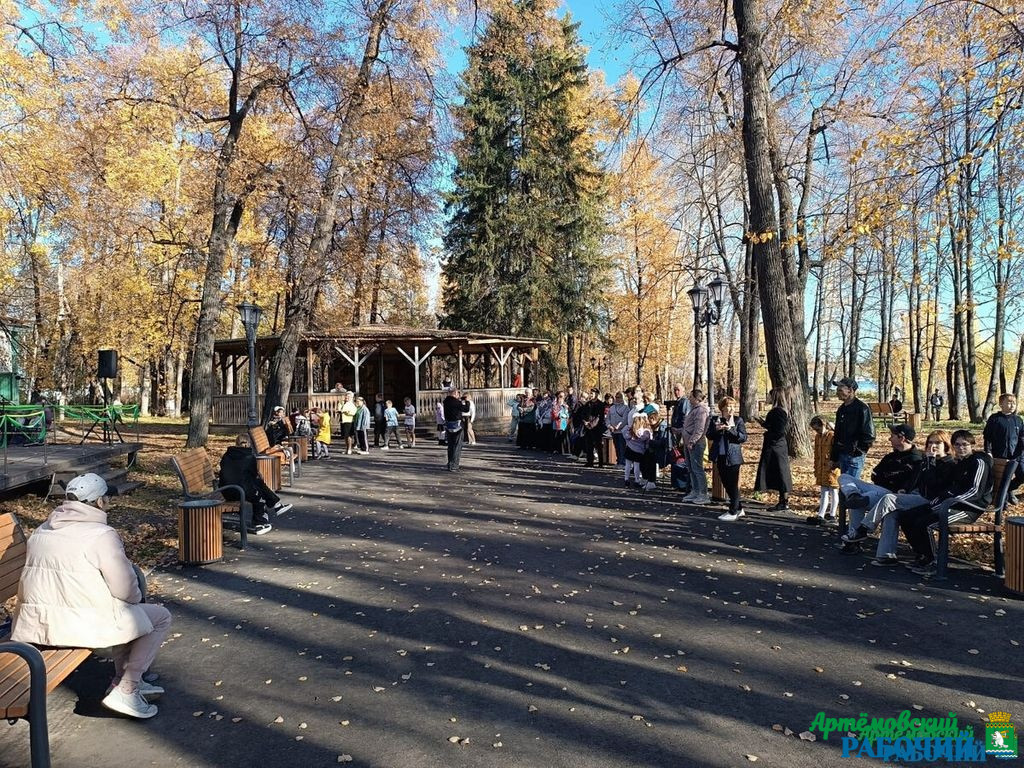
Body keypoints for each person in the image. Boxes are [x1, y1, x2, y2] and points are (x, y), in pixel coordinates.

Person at [11, 473, 172, 719]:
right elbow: (126, 590)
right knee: (158, 617)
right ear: (98, 502)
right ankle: (127, 688)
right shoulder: (101, 535)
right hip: (79, 626)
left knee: (124, 612)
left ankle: (121, 682)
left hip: (38, 624)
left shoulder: (42, 530)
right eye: (107, 498)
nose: (108, 502)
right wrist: (134, 598)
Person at [897, 429, 992, 573]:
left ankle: (933, 562)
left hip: (968, 508)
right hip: (948, 504)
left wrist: (949, 502)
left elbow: (975, 491)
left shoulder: (979, 462)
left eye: (965, 444)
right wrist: (938, 501)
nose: (961, 448)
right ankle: (923, 555)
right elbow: (944, 487)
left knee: (925, 524)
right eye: (957, 445)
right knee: (906, 516)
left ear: (972, 445)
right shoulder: (960, 463)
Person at [865, 430, 954, 566]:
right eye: (930, 442)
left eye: (938, 442)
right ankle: (886, 555)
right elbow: (915, 479)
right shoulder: (925, 461)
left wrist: (930, 461)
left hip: (933, 501)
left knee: (890, 499)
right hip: (917, 496)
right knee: (893, 512)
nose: (933, 446)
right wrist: (905, 489)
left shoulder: (948, 463)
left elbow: (933, 485)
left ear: (946, 445)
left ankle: (864, 528)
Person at [839, 423, 925, 551]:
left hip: (896, 498)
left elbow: (912, 484)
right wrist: (890, 478)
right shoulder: (890, 457)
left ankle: (854, 539)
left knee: (864, 499)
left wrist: (889, 479)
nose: (889, 439)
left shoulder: (917, 460)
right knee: (844, 477)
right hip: (880, 490)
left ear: (901, 438)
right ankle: (853, 494)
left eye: (892, 436)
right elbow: (875, 475)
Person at [219, 435, 293, 534]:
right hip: (240, 491)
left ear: (236, 443)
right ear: (249, 443)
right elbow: (254, 475)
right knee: (259, 496)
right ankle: (260, 524)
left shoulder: (227, 455)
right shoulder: (249, 457)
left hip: (226, 490)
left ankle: (276, 505)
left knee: (257, 484)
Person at [707, 396, 747, 521]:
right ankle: (739, 508)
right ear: (722, 408)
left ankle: (733, 511)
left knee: (733, 483)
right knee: (725, 483)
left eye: (733, 406)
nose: (731, 409)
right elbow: (709, 435)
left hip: (733, 456)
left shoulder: (738, 420)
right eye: (729, 406)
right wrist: (717, 430)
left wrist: (730, 430)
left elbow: (743, 437)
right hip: (720, 456)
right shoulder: (715, 420)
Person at [754, 389, 793, 512]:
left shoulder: (778, 411)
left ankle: (784, 502)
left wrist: (769, 434)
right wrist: (763, 423)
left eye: (769, 396)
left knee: (781, 472)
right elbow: (775, 426)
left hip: (775, 446)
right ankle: (783, 501)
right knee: (780, 472)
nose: (767, 398)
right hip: (778, 445)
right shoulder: (781, 410)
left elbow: (779, 430)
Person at [831, 377, 875, 478]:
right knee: (843, 485)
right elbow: (837, 434)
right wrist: (834, 457)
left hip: (854, 456)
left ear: (850, 390)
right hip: (842, 454)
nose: (837, 392)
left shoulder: (862, 409)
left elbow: (869, 435)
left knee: (851, 485)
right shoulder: (841, 409)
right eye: (837, 390)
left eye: (840, 390)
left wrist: (857, 451)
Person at [983, 393, 1024, 499]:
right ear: (1001, 404)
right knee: (1002, 478)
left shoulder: (1018, 420)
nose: (1012, 405)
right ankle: (1002, 500)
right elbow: (987, 437)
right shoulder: (995, 419)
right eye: (1009, 402)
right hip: (1000, 454)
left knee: (1022, 475)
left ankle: (1009, 489)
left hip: (1017, 455)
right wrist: (988, 451)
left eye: (1014, 403)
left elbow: (1022, 437)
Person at [805, 416, 840, 525]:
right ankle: (821, 514)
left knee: (833, 490)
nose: (817, 431)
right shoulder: (818, 437)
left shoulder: (832, 436)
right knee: (824, 491)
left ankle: (832, 514)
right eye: (815, 430)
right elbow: (816, 454)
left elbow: (837, 452)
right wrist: (816, 468)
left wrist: (834, 464)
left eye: (818, 429)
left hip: (832, 468)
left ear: (823, 425)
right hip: (822, 468)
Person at [681, 389, 711, 504]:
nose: (689, 399)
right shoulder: (694, 409)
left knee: (697, 468)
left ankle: (703, 494)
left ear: (696, 398)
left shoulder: (701, 410)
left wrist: (692, 441)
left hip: (696, 444)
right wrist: (679, 430)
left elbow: (699, 429)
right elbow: (689, 426)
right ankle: (695, 491)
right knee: (691, 468)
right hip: (688, 442)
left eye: (691, 397)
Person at [623, 413, 656, 490]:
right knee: (636, 465)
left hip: (629, 448)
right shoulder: (645, 431)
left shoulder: (631, 430)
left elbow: (625, 436)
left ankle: (626, 478)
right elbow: (648, 440)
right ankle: (637, 480)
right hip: (639, 451)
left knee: (628, 464)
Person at [582, 388, 607, 468]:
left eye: (592, 393)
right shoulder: (588, 404)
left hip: (596, 428)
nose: (591, 395)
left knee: (598, 446)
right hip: (587, 427)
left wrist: (591, 424)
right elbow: (583, 414)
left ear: (597, 394)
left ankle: (600, 463)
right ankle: (590, 461)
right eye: (590, 393)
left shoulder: (600, 404)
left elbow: (599, 417)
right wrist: (585, 422)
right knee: (589, 445)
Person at [443, 387, 465, 470]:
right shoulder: (456, 402)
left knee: (451, 445)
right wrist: (465, 402)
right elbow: (465, 409)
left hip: (449, 425)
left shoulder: (446, 401)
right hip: (457, 425)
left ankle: (450, 463)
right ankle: (454, 465)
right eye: (458, 393)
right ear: (455, 393)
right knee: (457, 445)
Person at [606, 392, 630, 467]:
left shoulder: (626, 408)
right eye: (616, 397)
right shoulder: (612, 408)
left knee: (622, 447)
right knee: (616, 447)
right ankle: (618, 461)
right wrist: (609, 426)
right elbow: (608, 418)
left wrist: (618, 426)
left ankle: (623, 462)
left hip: (622, 431)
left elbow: (625, 419)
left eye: (619, 397)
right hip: (613, 431)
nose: (617, 399)